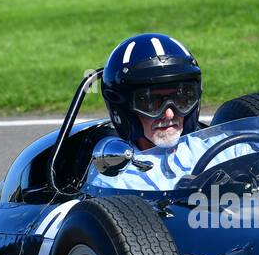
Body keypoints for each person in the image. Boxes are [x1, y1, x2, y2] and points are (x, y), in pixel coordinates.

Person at [93, 33, 246, 192]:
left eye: (181, 99)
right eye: (151, 102)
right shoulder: (117, 183)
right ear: (125, 110)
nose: (169, 115)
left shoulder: (229, 149)